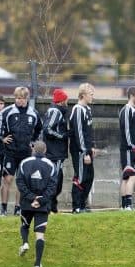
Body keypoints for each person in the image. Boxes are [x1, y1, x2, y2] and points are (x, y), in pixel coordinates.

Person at [0, 86, 43, 216]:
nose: (19, 101)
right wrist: (2, 138)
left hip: (25, 153)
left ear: (27, 98)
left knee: (21, 181)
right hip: (10, 152)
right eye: (17, 98)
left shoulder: (33, 113)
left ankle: (18, 208)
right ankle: (3, 208)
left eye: (22, 98)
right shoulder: (7, 112)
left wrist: (33, 142)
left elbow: (39, 129)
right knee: (8, 179)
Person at [16, 141, 57, 267]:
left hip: (27, 202)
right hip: (42, 205)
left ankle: (25, 243)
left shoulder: (24, 162)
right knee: (40, 235)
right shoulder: (51, 165)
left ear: (33, 149)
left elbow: (20, 182)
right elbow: (52, 186)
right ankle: (37, 265)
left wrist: (30, 197)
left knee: (24, 225)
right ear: (45, 150)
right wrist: (41, 199)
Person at [69, 83, 97, 213]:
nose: (92, 97)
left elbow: (88, 132)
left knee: (89, 176)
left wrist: (92, 147)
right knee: (80, 177)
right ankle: (77, 207)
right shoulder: (78, 109)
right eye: (91, 94)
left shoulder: (88, 109)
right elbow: (79, 133)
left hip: (87, 149)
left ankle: (83, 204)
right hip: (79, 150)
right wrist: (84, 152)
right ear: (83, 95)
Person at [42, 88, 69, 213]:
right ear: (62, 100)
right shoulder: (55, 111)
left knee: (57, 180)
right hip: (54, 153)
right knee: (55, 180)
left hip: (56, 152)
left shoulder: (58, 111)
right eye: (66, 99)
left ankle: (52, 205)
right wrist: (62, 136)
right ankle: (48, 206)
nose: (67, 102)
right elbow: (47, 129)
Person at [119, 86, 135, 210]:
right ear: (132, 96)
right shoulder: (127, 110)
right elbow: (126, 130)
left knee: (127, 177)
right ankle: (128, 205)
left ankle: (124, 206)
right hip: (129, 149)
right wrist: (132, 147)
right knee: (131, 176)